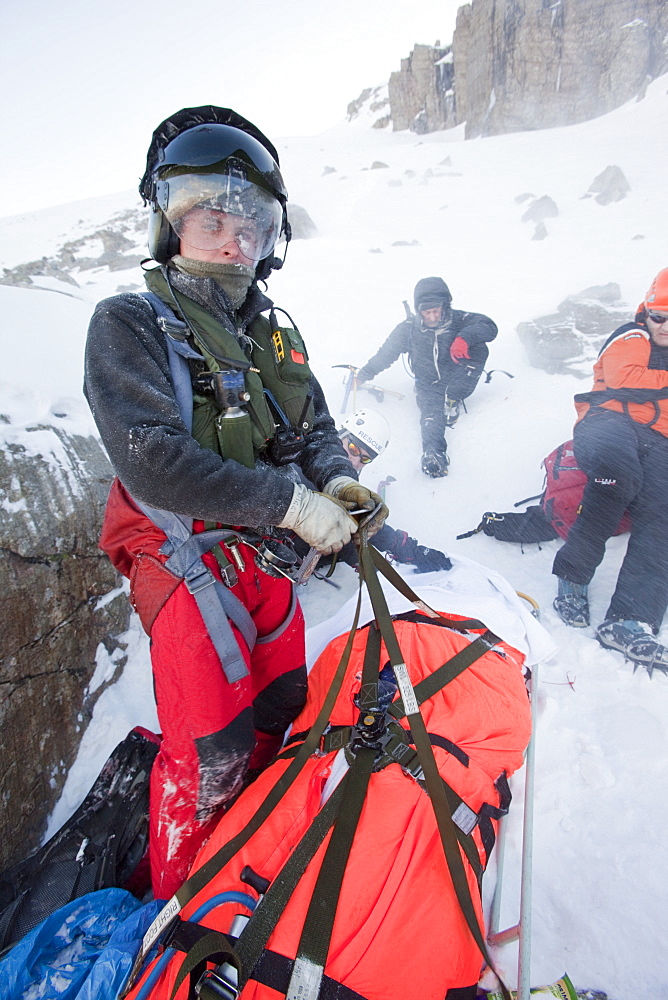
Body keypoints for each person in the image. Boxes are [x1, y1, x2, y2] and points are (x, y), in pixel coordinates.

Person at [83, 105, 388, 899]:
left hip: (261, 551)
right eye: (212, 216)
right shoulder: (128, 324)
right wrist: (291, 506)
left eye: (251, 224)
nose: (235, 238)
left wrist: (336, 480)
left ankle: (253, 850)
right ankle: (182, 908)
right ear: (172, 222)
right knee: (210, 745)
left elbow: (314, 425)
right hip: (179, 552)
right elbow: (153, 462)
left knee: (283, 705)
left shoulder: (273, 336)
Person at [552, 267, 668, 672]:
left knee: (663, 513)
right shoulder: (630, 335)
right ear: (645, 311)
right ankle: (573, 575)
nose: (665, 326)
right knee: (617, 479)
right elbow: (627, 378)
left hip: (661, 440)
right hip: (608, 422)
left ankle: (629, 621)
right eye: (659, 316)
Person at [355, 277, 497, 478]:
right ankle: (433, 453)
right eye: (426, 312)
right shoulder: (408, 329)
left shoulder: (459, 319)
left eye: (436, 311)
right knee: (431, 416)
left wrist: (464, 338)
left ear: (445, 306)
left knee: (480, 348)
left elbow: (489, 326)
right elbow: (386, 354)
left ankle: (453, 400)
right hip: (428, 384)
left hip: (457, 377)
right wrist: (363, 375)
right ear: (418, 310)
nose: (432, 316)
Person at [294, 409, 452, 574]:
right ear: (341, 435)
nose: (355, 460)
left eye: (365, 458)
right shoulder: (306, 460)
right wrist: (358, 554)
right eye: (353, 448)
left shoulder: (345, 477)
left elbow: (358, 519)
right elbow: (338, 519)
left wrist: (409, 550)